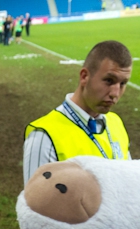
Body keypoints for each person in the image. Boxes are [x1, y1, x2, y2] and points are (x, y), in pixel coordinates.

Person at [23, 40, 132, 184]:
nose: (115, 93)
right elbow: (35, 204)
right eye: (109, 81)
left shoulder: (116, 122)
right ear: (84, 76)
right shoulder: (44, 136)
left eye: (123, 83)